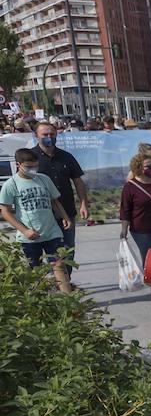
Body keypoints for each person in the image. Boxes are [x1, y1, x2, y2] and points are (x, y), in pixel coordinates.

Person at [1, 148, 73, 291]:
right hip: (30, 237)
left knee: (59, 264)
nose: (33, 169)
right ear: (18, 165)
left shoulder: (44, 179)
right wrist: (24, 230)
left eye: (35, 166)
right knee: (36, 271)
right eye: (29, 167)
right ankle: (40, 304)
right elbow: (6, 212)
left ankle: (68, 301)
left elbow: (55, 201)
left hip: (52, 231)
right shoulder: (11, 184)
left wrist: (65, 217)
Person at [119, 144, 151, 296]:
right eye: (148, 166)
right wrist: (124, 229)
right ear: (138, 167)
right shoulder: (130, 187)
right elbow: (125, 210)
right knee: (149, 255)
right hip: (141, 228)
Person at [32, 120, 87, 253]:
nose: (49, 137)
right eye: (44, 134)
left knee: (68, 252)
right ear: (36, 136)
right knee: (51, 255)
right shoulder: (30, 158)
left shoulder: (66, 157)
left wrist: (83, 204)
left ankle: (66, 274)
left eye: (52, 134)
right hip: (42, 214)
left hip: (67, 211)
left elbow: (78, 181)